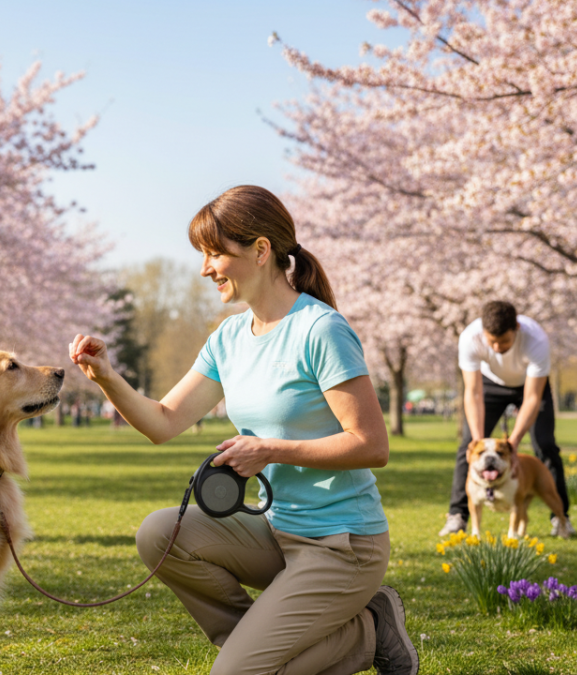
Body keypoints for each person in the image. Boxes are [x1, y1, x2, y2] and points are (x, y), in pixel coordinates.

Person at [70, 186, 417, 675]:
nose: (205, 268)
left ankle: (366, 634)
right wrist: (107, 375)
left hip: (343, 544)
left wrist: (271, 450)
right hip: (277, 532)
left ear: (260, 250)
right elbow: (164, 422)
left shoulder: (321, 330)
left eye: (215, 253)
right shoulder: (229, 338)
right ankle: (265, 647)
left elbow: (371, 445)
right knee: (159, 534)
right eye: (203, 255)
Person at [439, 300, 574, 538]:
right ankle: (458, 515)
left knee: (545, 445)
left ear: (517, 330)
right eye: (492, 341)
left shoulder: (536, 341)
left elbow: (532, 398)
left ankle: (560, 518)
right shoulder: (470, 338)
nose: (497, 346)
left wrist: (513, 444)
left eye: (504, 341)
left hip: (528, 385)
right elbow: (473, 392)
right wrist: (479, 441)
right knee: (468, 445)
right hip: (490, 385)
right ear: (483, 333)